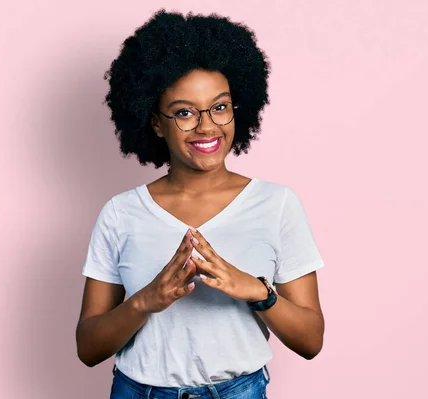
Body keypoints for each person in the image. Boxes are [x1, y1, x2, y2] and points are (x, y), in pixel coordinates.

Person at [75, 9, 325, 399]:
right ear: (156, 123)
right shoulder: (121, 213)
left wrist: (257, 291)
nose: (207, 126)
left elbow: (311, 340)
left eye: (220, 107)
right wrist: (146, 300)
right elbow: (88, 348)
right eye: (185, 113)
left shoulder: (277, 205)